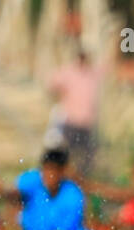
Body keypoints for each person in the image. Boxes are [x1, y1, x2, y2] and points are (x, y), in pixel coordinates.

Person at [46, 48, 104, 176]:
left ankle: (83, 179)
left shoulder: (92, 73)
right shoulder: (68, 72)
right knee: (68, 153)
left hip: (87, 123)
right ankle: (66, 177)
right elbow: (52, 85)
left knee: (87, 156)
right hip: (71, 121)